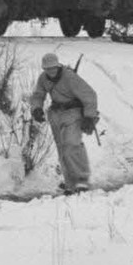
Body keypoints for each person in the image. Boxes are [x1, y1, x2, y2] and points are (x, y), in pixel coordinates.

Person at [30, 52, 99, 194]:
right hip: (56, 114)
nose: (51, 71)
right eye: (48, 69)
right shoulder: (43, 78)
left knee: (72, 143)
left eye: (53, 68)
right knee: (62, 148)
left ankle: (82, 180)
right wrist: (36, 108)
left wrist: (89, 117)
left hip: (73, 113)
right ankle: (70, 183)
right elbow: (38, 95)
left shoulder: (70, 77)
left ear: (58, 66)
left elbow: (90, 96)